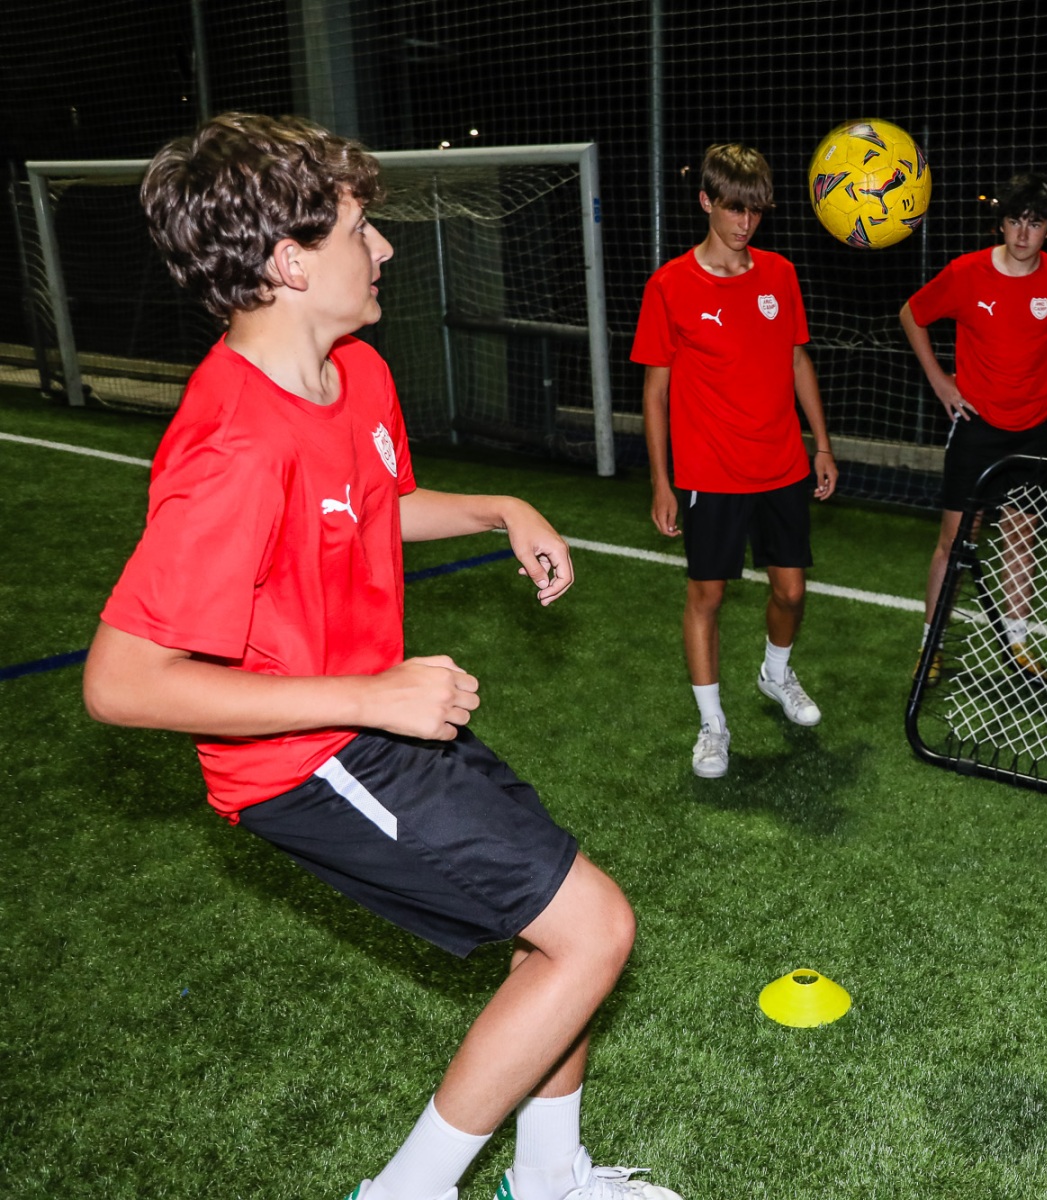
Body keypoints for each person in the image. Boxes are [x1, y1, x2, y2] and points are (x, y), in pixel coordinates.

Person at [81, 114, 678, 1200]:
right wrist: (370, 695)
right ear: (290, 262)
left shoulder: (353, 373)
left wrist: (498, 507)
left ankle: (549, 1177)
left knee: (560, 925)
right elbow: (121, 683)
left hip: (382, 721)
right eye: (362, 229)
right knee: (594, 932)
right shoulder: (233, 447)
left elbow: (371, 508)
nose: (387, 248)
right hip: (307, 760)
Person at [633, 143, 838, 779]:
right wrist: (661, 481)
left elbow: (796, 359)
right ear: (706, 202)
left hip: (782, 463)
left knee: (791, 591)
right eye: (732, 209)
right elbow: (655, 391)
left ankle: (776, 674)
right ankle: (712, 725)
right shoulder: (670, 285)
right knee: (708, 594)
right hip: (709, 471)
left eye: (755, 210)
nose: (745, 223)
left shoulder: (780, 274)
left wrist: (822, 443)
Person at [899, 172, 1047, 678]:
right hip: (976, 423)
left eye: (1035, 223)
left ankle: (1017, 646)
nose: (1023, 233)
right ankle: (931, 643)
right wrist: (941, 381)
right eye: (1014, 221)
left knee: (1021, 536)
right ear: (1001, 224)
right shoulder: (966, 272)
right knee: (955, 539)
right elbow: (912, 315)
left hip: (1034, 427)